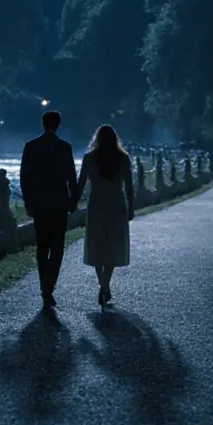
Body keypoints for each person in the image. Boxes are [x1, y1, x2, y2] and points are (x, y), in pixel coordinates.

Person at [19, 110, 79, 310]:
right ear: (58, 125)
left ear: (42, 123)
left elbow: (24, 178)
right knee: (58, 247)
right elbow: (71, 176)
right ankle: (48, 287)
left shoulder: (31, 146)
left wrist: (28, 202)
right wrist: (73, 199)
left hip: (39, 205)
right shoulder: (65, 147)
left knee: (42, 247)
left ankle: (44, 285)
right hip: (59, 204)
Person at [73, 125, 134, 307]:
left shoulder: (90, 158)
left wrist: (73, 202)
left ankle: (102, 283)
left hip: (97, 204)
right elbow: (129, 186)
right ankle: (106, 283)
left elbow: (81, 184)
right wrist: (131, 207)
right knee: (113, 244)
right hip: (116, 204)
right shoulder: (123, 158)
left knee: (97, 244)